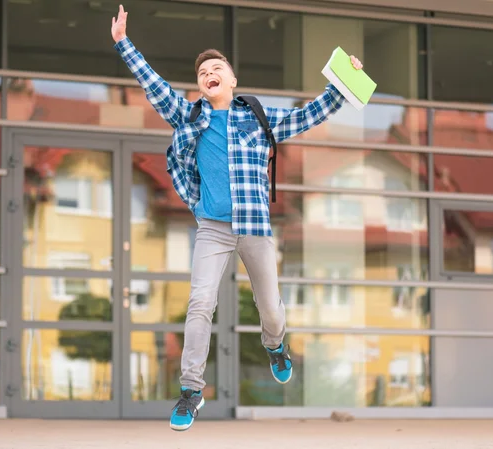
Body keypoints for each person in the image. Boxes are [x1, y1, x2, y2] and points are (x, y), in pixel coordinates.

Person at [111, 4, 363, 431]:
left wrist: (343, 84)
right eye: (202, 71)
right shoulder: (189, 115)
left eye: (216, 67)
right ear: (201, 85)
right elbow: (152, 85)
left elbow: (307, 115)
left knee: (271, 307)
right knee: (199, 305)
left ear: (231, 79)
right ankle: (191, 391)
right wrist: (123, 43)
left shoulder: (257, 119)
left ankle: (275, 344)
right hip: (212, 228)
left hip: (255, 228)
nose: (209, 72)